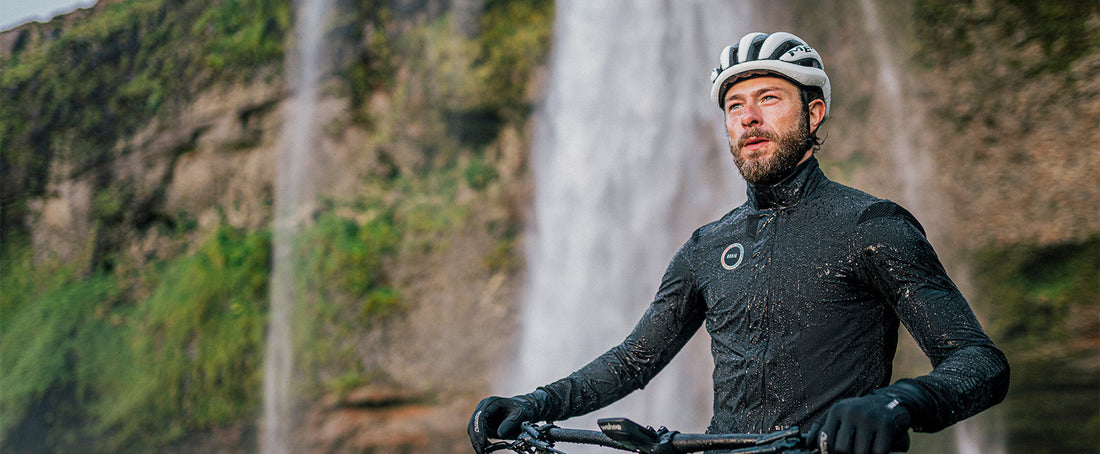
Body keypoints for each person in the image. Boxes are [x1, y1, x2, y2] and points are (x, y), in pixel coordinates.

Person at [468, 31, 1009, 454]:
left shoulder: (872, 225)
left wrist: (897, 402)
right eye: (735, 106)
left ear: (813, 112)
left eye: (769, 98)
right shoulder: (707, 246)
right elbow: (634, 361)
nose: (749, 116)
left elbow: (980, 363)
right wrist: (535, 403)